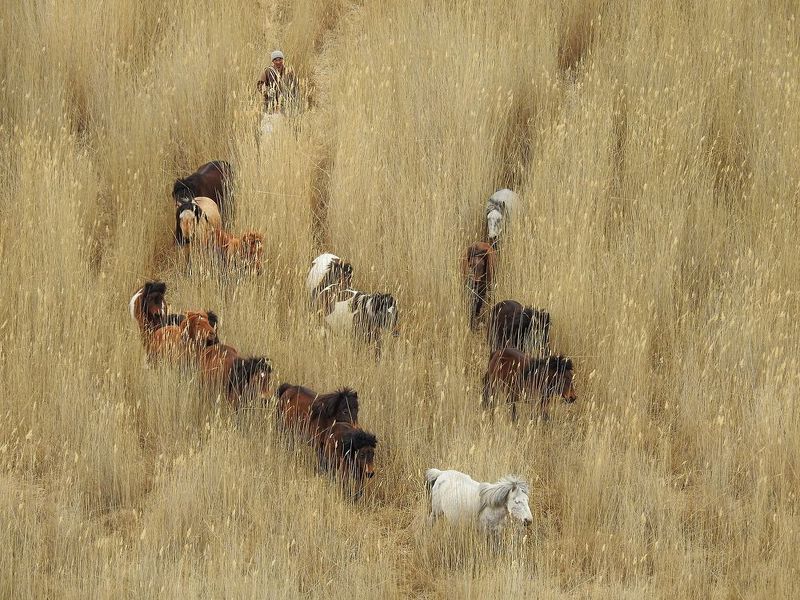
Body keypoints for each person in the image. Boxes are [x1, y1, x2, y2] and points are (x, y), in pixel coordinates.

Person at [257, 50, 298, 115]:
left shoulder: (289, 71)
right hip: (270, 105)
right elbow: (260, 85)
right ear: (272, 61)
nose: (278, 62)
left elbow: (295, 86)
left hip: (285, 104)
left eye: (280, 59)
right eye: (275, 60)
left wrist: (292, 98)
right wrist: (267, 91)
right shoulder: (268, 71)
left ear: (283, 60)